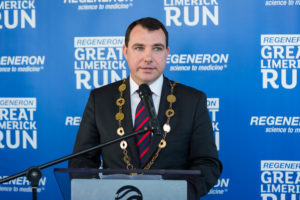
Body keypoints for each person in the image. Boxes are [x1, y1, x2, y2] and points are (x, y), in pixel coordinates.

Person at [68, 17, 222, 199]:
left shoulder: (193, 101)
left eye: (157, 48)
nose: (148, 57)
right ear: (125, 52)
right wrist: (99, 194)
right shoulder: (100, 99)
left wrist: (176, 195)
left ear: (167, 53)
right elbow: (81, 160)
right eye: (139, 48)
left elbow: (208, 164)